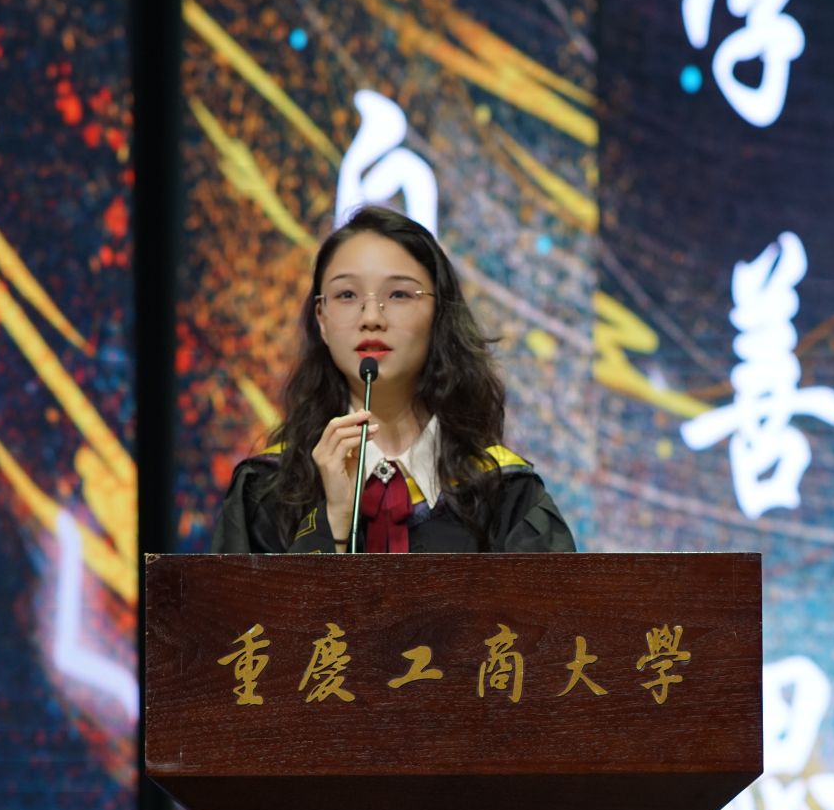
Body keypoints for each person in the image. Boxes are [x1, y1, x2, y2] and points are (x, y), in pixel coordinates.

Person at [214, 206, 575, 553]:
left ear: (439, 312)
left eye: (399, 294)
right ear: (321, 318)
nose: (371, 316)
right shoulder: (266, 492)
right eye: (346, 295)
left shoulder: (507, 495)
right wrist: (332, 522)